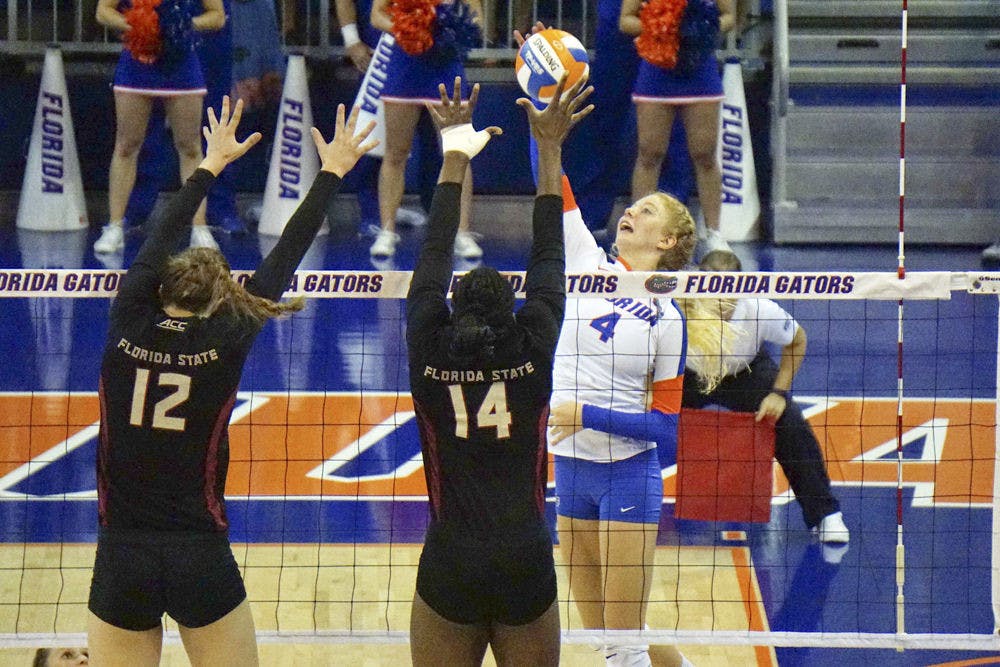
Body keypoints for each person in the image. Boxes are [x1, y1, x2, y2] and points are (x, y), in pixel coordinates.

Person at [86, 97, 377, 665]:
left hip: (122, 553)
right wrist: (333, 172)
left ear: (158, 288)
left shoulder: (127, 318)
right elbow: (284, 256)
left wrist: (209, 164)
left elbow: (159, 236)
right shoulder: (225, 338)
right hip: (199, 553)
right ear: (223, 302)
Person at [405, 74, 592, 667]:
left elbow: (434, 253)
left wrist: (454, 153)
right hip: (524, 558)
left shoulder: (429, 349)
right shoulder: (532, 346)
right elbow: (549, 253)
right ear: (514, 312)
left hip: (451, 558)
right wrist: (549, 148)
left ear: (450, 308)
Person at [680, 250, 849, 545]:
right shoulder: (678, 305)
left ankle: (825, 514)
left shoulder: (758, 308)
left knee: (789, 423)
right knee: (638, 414)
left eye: (727, 293)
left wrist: (778, 394)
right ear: (697, 285)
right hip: (689, 375)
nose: (720, 302)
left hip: (743, 372)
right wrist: (651, 389)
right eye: (711, 291)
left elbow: (797, 339)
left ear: (740, 288)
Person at [93, 0, 226, 255]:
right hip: (137, 63)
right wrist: (139, 26)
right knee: (126, 146)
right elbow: (103, 11)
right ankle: (114, 226)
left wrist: (185, 25)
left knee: (190, 147)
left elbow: (217, 16)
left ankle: (199, 227)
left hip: (181, 62)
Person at [368, 0, 484, 261]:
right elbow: (377, 15)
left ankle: (462, 232)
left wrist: (452, 31)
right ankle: (387, 231)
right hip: (404, 64)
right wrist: (407, 30)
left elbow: (477, 18)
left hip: (445, 63)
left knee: (458, 153)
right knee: (395, 153)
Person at [123, 0, 246, 246]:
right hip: (151, 23)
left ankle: (218, 207)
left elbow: (217, 17)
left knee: (213, 116)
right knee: (142, 122)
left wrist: (186, 24)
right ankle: (134, 207)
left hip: (205, 31)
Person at [619, 0, 736, 255]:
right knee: (649, 154)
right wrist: (662, 26)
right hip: (656, 69)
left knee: (705, 155)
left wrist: (701, 27)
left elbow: (729, 16)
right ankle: (638, 233)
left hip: (699, 69)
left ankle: (714, 234)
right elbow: (626, 20)